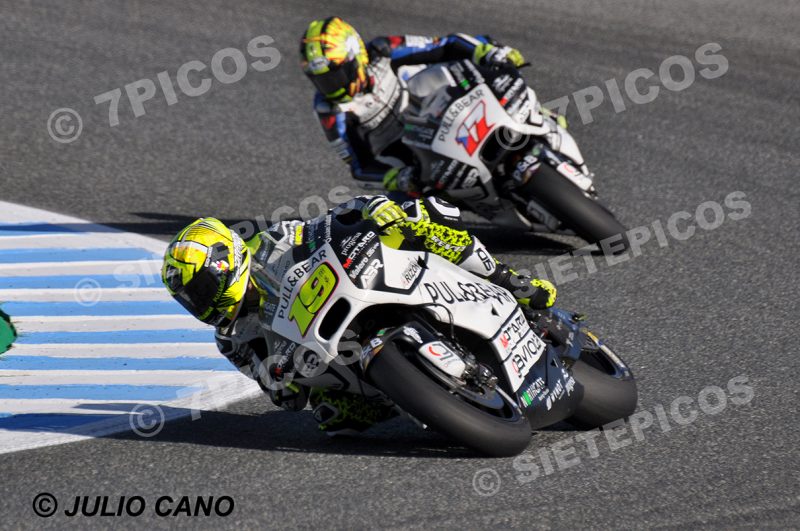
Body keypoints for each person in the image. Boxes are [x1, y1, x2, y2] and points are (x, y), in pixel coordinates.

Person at [161, 195, 556, 433]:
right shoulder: (231, 339)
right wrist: (281, 378)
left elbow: (325, 224)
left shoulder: (271, 243)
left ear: (224, 263)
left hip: (355, 287)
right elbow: (281, 396)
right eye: (190, 300)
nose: (200, 303)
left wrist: (370, 211)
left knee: (417, 222)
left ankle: (509, 281)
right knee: (334, 419)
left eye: (199, 290)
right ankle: (421, 397)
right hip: (332, 352)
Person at [299, 17, 528, 194]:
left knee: (474, 70)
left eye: (336, 75)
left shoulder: (382, 50)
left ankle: (536, 114)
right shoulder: (328, 110)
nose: (330, 87)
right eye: (321, 80)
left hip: (435, 111)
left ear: (355, 57)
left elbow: (443, 45)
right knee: (407, 202)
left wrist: (487, 52)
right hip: (408, 152)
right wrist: (397, 178)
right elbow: (359, 168)